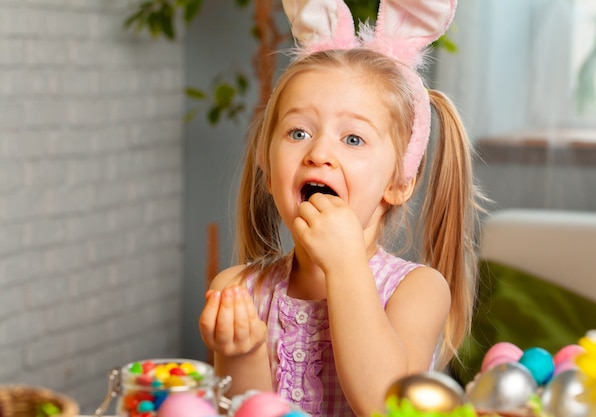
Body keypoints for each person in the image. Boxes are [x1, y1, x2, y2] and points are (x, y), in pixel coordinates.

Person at [199, 0, 484, 416]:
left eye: (353, 139)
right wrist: (241, 352)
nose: (318, 153)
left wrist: (346, 264)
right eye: (298, 131)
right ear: (266, 165)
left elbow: (386, 407)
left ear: (400, 181)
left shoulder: (417, 290)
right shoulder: (237, 289)